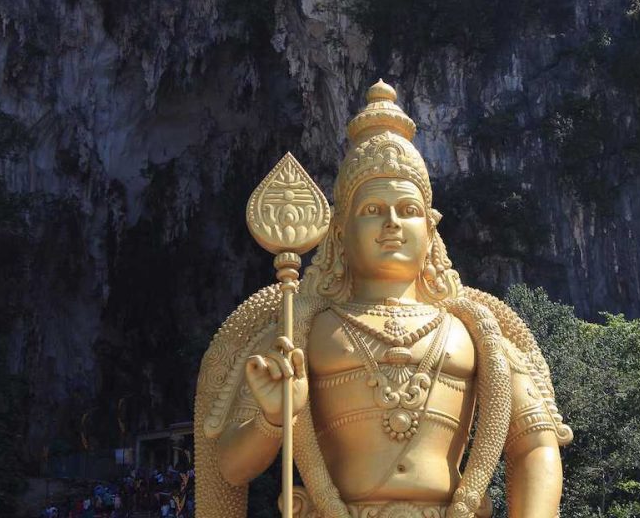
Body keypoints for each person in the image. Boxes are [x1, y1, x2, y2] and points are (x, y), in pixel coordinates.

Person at [195, 81, 573, 518]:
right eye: (373, 210)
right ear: (339, 231)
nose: (392, 223)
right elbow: (229, 467)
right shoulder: (298, 329)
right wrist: (272, 418)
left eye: (408, 210)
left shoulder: (473, 327)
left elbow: (535, 443)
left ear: (431, 230)